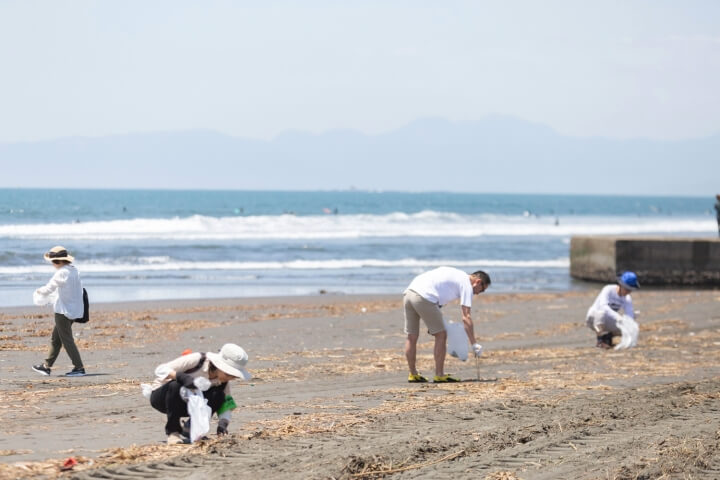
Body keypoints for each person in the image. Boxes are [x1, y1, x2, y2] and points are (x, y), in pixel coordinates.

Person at [149, 343, 251, 444]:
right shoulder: (198, 360)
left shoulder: (222, 382)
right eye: (228, 374)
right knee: (175, 385)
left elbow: (226, 404)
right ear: (219, 366)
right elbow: (160, 370)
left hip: (186, 403)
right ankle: (173, 433)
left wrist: (223, 424)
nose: (229, 379)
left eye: (234, 376)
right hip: (162, 397)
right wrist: (182, 377)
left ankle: (192, 429)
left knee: (219, 395)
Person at [403, 267, 490, 383]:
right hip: (424, 297)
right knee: (441, 335)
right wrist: (474, 343)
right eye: (482, 290)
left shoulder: (457, 274)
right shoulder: (467, 285)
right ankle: (439, 375)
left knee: (412, 336)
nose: (478, 293)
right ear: (478, 282)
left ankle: (413, 374)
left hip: (409, 293)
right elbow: (466, 317)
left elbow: (438, 291)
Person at [32, 246, 86, 377]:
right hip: (73, 310)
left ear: (59, 261)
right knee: (56, 339)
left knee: (67, 340)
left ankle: (79, 367)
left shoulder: (62, 272)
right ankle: (46, 366)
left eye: (54, 261)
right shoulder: (74, 270)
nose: (53, 264)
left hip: (63, 311)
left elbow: (49, 288)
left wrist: (39, 292)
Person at [585, 271, 639, 349]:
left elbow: (629, 314)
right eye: (627, 289)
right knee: (602, 313)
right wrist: (618, 317)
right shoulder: (608, 289)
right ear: (620, 285)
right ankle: (600, 341)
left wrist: (630, 323)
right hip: (593, 318)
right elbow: (603, 306)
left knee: (628, 324)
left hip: (608, 321)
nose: (628, 292)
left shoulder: (627, 298)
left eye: (630, 290)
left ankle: (607, 337)